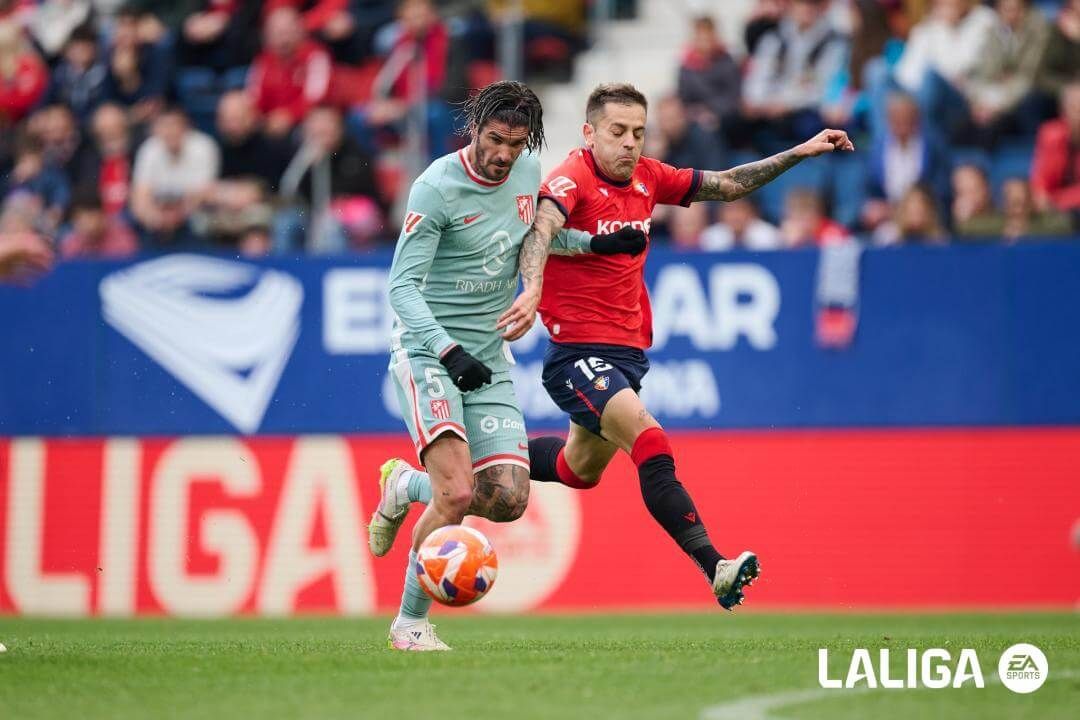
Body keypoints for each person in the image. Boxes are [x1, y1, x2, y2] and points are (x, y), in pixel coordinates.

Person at [507, 83, 854, 610]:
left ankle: (472, 457)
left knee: (580, 470)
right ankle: (715, 565)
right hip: (576, 353)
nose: (630, 144)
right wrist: (531, 286)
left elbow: (729, 184)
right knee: (650, 441)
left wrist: (801, 151)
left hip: (624, 353)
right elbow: (542, 228)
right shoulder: (570, 178)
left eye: (638, 133)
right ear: (589, 133)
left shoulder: (648, 176)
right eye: (618, 132)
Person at [364, 81, 647, 651]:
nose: (502, 154)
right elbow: (400, 287)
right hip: (431, 354)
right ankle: (409, 624)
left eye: (515, 145)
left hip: (489, 356)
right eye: (495, 140)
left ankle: (402, 486)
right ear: (476, 130)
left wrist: (596, 244)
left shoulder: (526, 174)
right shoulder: (435, 187)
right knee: (455, 495)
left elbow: (533, 240)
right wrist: (446, 350)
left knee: (508, 498)